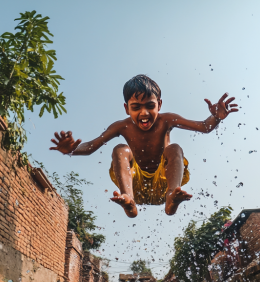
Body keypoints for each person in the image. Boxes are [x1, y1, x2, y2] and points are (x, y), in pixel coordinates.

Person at [50, 75, 238, 218]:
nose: (144, 113)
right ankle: (129, 201)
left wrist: (216, 117)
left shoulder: (167, 120)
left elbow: (204, 127)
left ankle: (172, 198)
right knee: (120, 149)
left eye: (150, 105)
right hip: (135, 184)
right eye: (136, 107)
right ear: (126, 108)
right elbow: (91, 146)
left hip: (164, 182)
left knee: (174, 149)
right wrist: (72, 150)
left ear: (159, 105)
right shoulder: (121, 126)